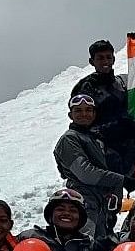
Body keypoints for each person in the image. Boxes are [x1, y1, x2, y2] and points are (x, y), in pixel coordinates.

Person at [54, 93, 127, 240]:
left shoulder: (94, 139)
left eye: (88, 110)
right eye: (78, 111)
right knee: (82, 246)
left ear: (94, 113)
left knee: (99, 250)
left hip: (99, 204)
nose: (84, 114)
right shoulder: (70, 138)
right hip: (81, 202)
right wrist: (119, 180)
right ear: (70, 115)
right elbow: (85, 173)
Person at [72, 38, 135, 180]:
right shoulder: (85, 88)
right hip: (104, 152)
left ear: (114, 59)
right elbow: (82, 121)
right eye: (100, 58)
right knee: (112, 193)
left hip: (132, 147)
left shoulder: (123, 83)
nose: (105, 61)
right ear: (92, 62)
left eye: (108, 57)